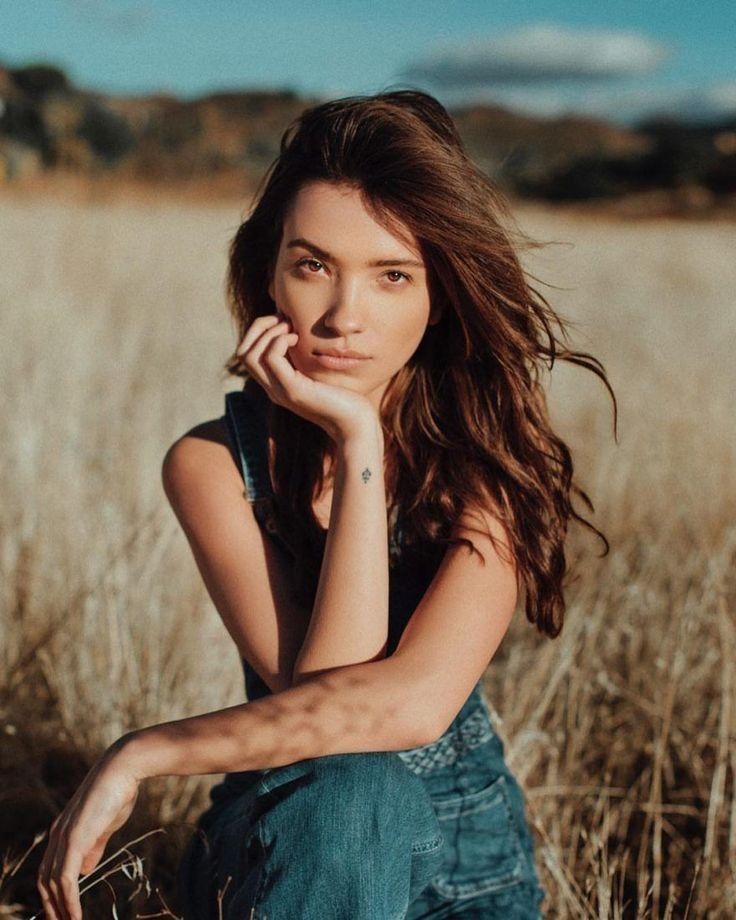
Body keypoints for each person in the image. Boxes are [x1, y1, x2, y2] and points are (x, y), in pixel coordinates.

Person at [36, 89, 616, 919]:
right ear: (268, 272)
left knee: (360, 783)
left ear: (438, 294)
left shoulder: (491, 462)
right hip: (288, 852)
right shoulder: (212, 465)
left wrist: (142, 752)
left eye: (391, 276)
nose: (346, 317)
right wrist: (356, 441)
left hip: (466, 883)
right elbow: (321, 705)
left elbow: (408, 707)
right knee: (350, 797)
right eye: (313, 266)